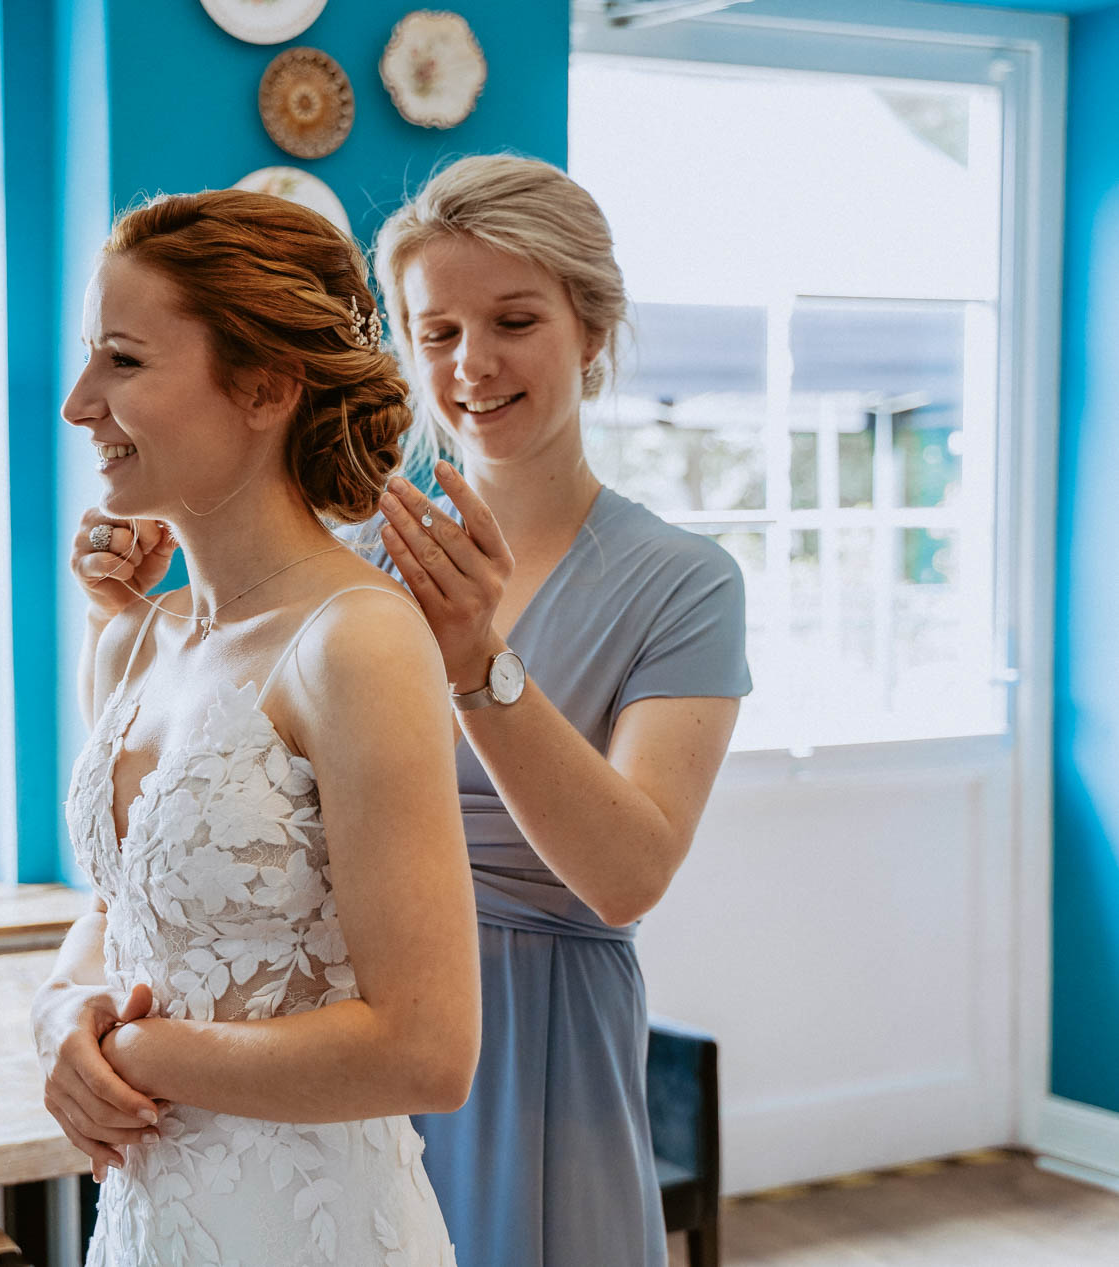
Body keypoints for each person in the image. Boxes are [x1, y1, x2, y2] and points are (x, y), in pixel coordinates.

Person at [32, 189, 481, 1266]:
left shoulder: (356, 643)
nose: (79, 403)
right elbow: (123, 915)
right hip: (149, 1228)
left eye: (123, 361)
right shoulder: (131, 642)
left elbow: (427, 1048)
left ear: (266, 386)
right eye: (90, 358)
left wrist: (135, 1052)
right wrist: (56, 1016)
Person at [361, 153, 753, 1266]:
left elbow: (627, 872)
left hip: (543, 1058)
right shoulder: (352, 559)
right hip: (358, 1046)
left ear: (592, 330)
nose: (471, 363)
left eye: (514, 320)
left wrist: (477, 662)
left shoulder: (683, 583)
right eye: (437, 331)